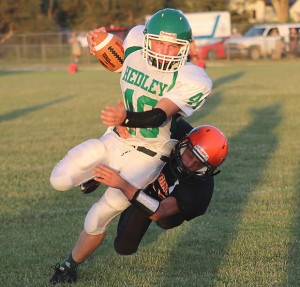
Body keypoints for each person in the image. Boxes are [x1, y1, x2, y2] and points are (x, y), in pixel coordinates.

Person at [49, 8, 212, 284]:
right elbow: (117, 61)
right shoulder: (136, 40)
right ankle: (92, 174)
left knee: (99, 215)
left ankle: (69, 264)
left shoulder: (194, 79)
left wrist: (127, 116)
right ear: (147, 39)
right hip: (117, 137)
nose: (165, 51)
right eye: (160, 42)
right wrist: (98, 40)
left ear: (184, 49)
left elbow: (160, 114)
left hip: (148, 155)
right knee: (59, 180)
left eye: (173, 46)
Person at [49, 121, 228, 283]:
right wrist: (124, 121)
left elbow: (158, 211)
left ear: (209, 170)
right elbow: (148, 114)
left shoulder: (199, 193)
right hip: (146, 171)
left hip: (157, 202)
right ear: (185, 141)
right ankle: (68, 266)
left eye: (199, 164)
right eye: (190, 154)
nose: (189, 164)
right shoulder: (178, 129)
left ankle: (130, 193)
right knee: (110, 229)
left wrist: (122, 184)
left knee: (126, 246)